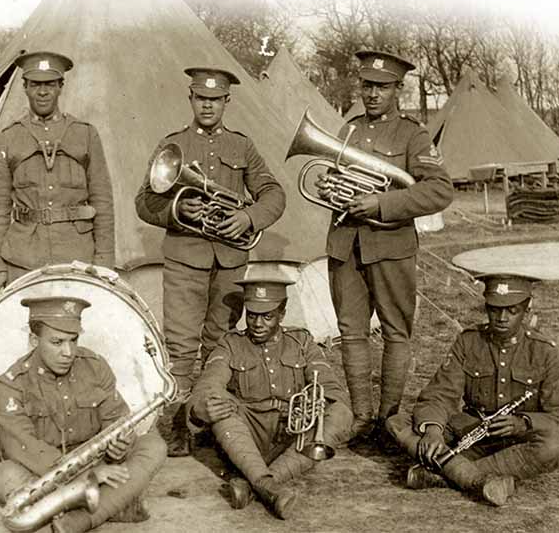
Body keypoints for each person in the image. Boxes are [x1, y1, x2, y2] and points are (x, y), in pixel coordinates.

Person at [135, 67, 286, 456]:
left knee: (220, 344)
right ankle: (178, 427)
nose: (207, 104)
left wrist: (248, 217)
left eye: (215, 99)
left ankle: (212, 420)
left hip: (231, 258)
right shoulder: (173, 145)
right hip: (185, 257)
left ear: (226, 102)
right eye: (201, 98)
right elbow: (144, 201)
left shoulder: (242, 146)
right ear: (191, 99)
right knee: (181, 346)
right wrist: (175, 207)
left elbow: (273, 192)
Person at [319, 50, 453, 442]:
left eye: (381, 87)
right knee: (351, 331)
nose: (372, 94)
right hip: (346, 244)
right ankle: (361, 418)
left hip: (391, 245)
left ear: (398, 89)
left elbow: (439, 190)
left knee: (396, 332)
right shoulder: (348, 130)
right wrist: (329, 186)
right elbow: (333, 176)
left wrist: (382, 203)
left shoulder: (414, 134)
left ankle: (388, 419)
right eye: (367, 85)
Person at [0, 295, 166, 533]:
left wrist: (121, 445)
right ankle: (112, 504)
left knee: (153, 445)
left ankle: (79, 517)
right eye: (57, 342)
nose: (68, 352)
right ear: (34, 340)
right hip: (46, 468)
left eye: (73, 340)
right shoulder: (12, 383)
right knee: (5, 475)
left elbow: (117, 419)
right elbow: (25, 447)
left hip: (97, 461)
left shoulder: (95, 365)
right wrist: (84, 475)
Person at [386, 274, 559, 507]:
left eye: (512, 311)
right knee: (397, 422)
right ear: (487, 308)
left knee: (554, 444)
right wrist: (433, 431)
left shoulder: (545, 351)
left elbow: (556, 415)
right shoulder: (469, 341)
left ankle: (441, 473)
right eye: (495, 310)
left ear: (527, 311)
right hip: (472, 429)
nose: (502, 318)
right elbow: (440, 393)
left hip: (516, 442)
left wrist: (523, 423)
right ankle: (478, 480)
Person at [188, 277, 352, 519]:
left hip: (291, 433)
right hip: (246, 434)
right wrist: (203, 407)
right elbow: (208, 384)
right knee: (219, 404)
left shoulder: (302, 341)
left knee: (340, 413)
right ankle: (269, 487)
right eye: (252, 315)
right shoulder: (231, 343)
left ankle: (258, 483)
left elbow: (330, 387)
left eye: (267, 316)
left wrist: (319, 403)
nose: (257, 323)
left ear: (282, 314)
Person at [0, 51, 115, 297]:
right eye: (35, 84)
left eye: (49, 84)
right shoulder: (9, 137)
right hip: (23, 258)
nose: (42, 92)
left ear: (60, 86)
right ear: (25, 87)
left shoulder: (85, 134)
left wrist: (105, 262)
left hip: (77, 256)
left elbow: (103, 202)